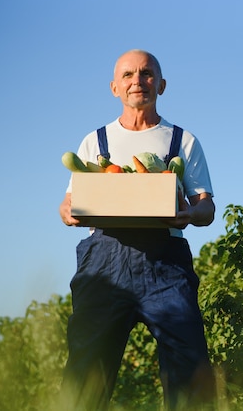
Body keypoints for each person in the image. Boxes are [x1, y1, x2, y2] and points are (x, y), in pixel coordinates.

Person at [59, 49, 216, 410]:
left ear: (161, 84)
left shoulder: (182, 140)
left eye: (146, 74)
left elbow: (206, 206)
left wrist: (189, 215)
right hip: (103, 262)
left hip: (166, 264)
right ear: (115, 87)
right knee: (86, 368)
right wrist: (68, 212)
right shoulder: (95, 141)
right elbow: (69, 202)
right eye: (128, 75)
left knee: (188, 362)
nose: (137, 81)